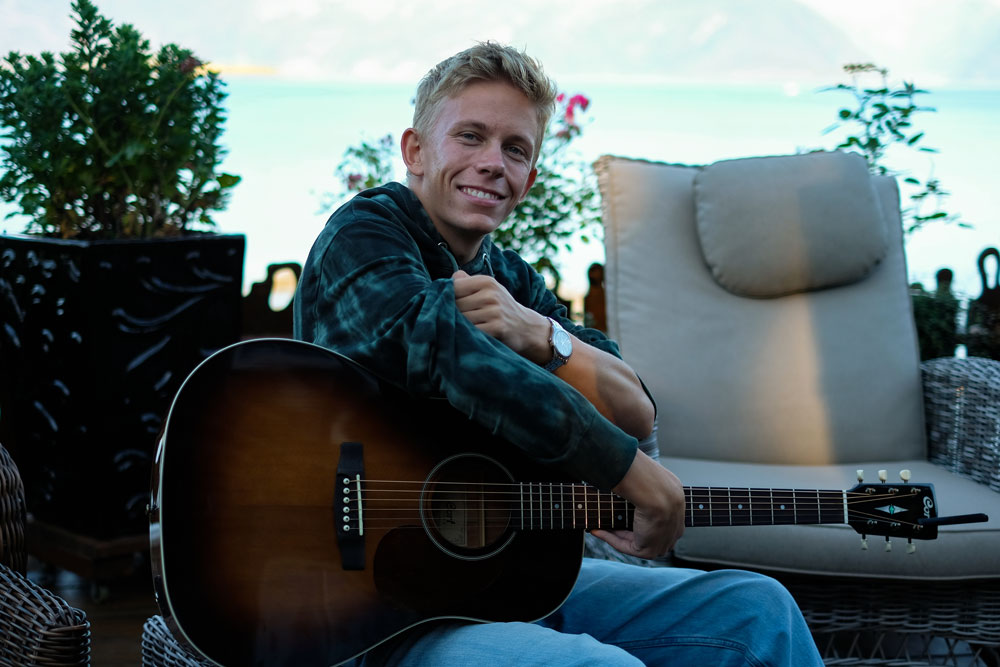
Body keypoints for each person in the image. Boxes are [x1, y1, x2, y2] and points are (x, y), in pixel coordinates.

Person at [294, 41, 823, 666]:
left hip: (494, 587)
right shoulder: (366, 236)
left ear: (530, 178)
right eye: (470, 136)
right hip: (367, 613)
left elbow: (634, 410)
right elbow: (452, 357)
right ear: (415, 151)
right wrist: (629, 472)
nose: (493, 163)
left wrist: (542, 335)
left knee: (758, 610)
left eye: (515, 149)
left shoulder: (511, 280)